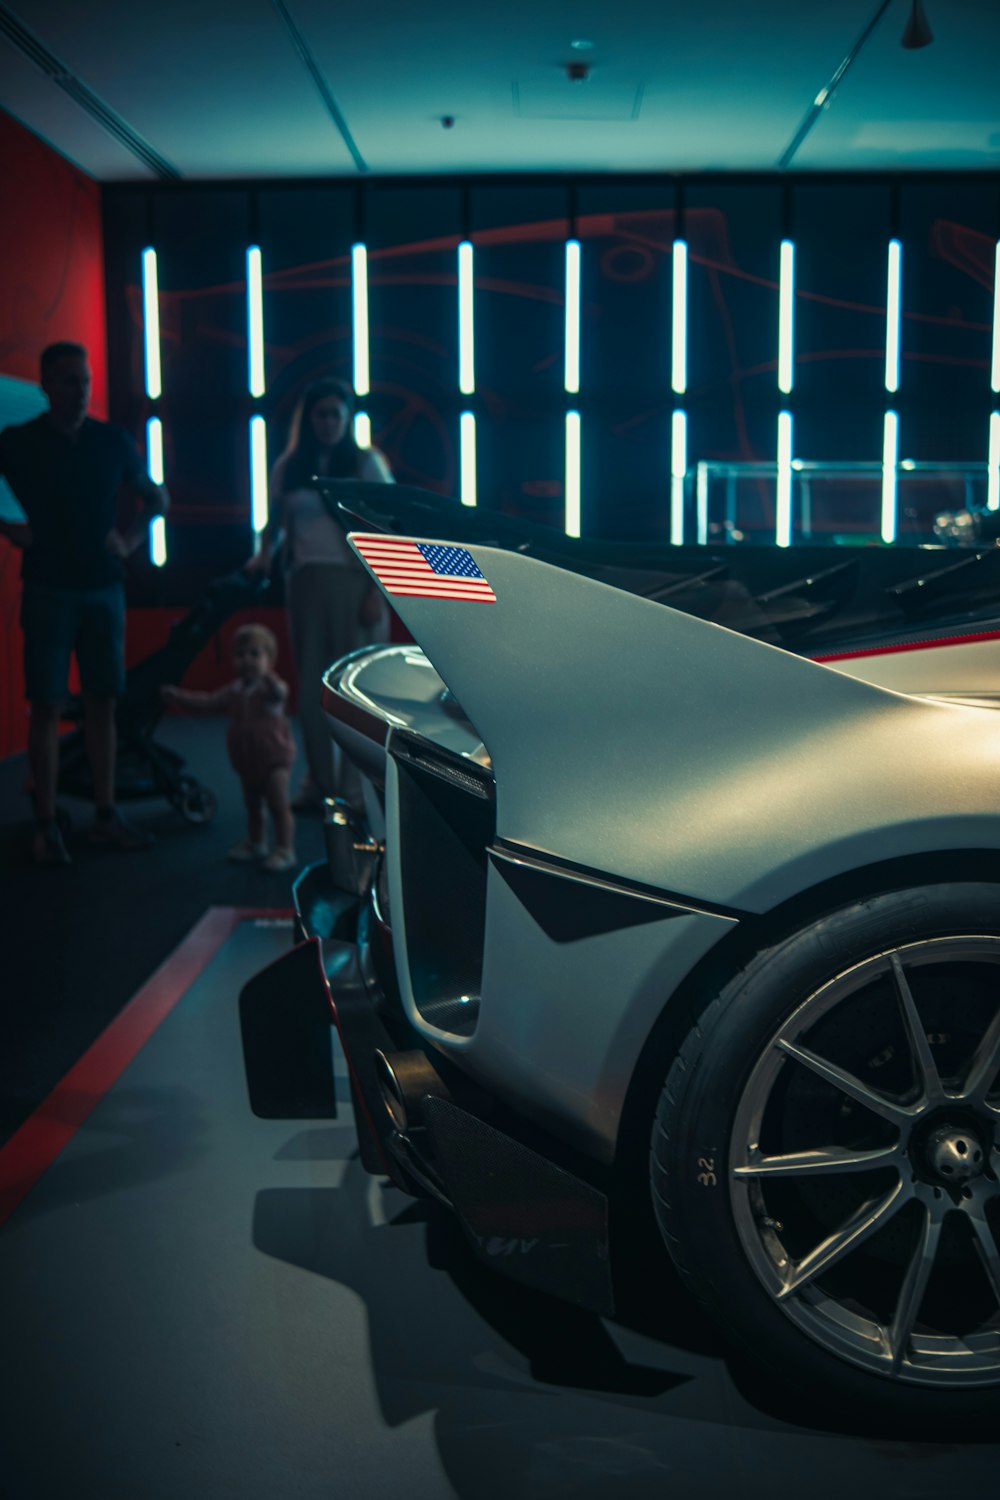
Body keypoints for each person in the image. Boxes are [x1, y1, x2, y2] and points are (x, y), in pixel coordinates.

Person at [0, 341, 169, 865]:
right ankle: (46, 823)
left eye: (86, 381)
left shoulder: (111, 441)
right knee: (47, 705)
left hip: (102, 586)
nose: (79, 391)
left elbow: (156, 497)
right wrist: (13, 531)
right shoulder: (19, 441)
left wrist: (132, 539)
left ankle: (103, 814)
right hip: (49, 585)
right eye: (69, 381)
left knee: (103, 702)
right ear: (47, 385)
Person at [245, 377, 393, 811]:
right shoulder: (291, 465)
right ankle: (320, 783)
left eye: (335, 413)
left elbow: (383, 531)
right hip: (304, 582)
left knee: (354, 689)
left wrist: (374, 590)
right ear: (308, 419)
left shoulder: (365, 464)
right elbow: (272, 525)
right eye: (320, 414)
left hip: (351, 579)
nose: (327, 422)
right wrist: (261, 556)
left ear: (347, 418)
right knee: (312, 686)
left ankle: (354, 789)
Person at [161, 623, 297, 872]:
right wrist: (178, 696)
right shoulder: (234, 690)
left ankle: (285, 849)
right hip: (247, 759)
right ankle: (257, 843)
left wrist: (268, 676)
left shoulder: (269, 689)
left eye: (255, 654)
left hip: (274, 757)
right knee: (252, 804)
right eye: (240, 654)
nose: (247, 660)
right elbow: (208, 702)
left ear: (270, 659)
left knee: (278, 803)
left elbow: (280, 693)